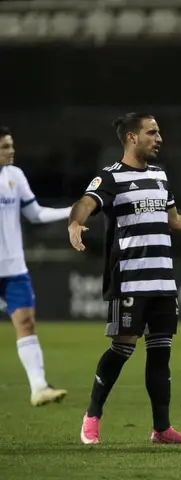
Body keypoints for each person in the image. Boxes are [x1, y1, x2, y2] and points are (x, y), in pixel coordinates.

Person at [67, 113, 181, 445]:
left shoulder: (160, 175)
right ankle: (92, 416)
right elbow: (85, 203)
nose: (159, 137)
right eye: (152, 132)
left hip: (163, 281)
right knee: (122, 349)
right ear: (132, 138)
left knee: (160, 353)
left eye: (160, 131)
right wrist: (75, 223)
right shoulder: (111, 177)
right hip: (130, 281)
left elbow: (174, 221)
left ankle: (162, 428)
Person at [0, 126, 70, 406]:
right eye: (5, 147)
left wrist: (72, 211)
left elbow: (36, 213)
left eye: (11, 145)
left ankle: (39, 387)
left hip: (14, 268)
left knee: (26, 323)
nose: (11, 150)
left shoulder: (14, 176)